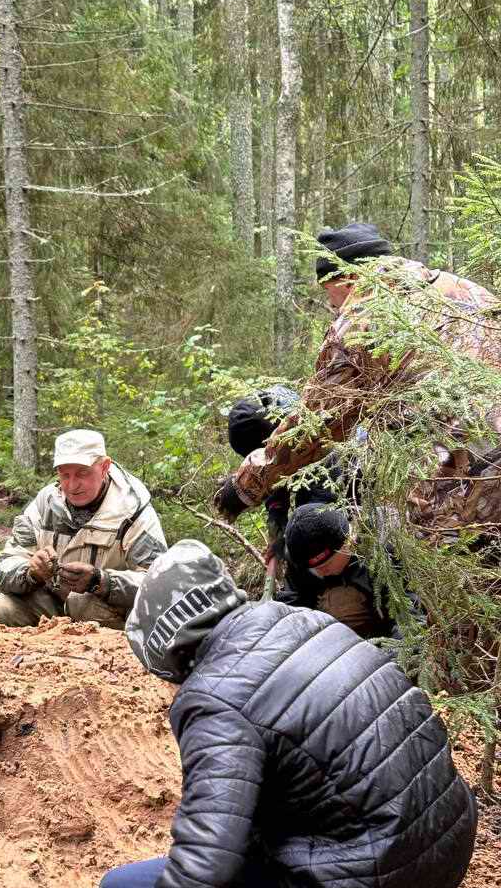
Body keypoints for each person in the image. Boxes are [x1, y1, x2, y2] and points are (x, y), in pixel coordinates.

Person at [98, 541, 476, 888]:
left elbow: (206, 868)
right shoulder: (304, 621)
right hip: (441, 858)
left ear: (166, 650)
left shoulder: (214, 699)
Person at [215, 222, 501, 542]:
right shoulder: (463, 288)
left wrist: (244, 487)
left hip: (476, 465)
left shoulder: (361, 321)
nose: (332, 305)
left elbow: (315, 424)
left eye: (328, 291)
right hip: (481, 443)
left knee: (423, 538)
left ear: (345, 278)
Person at [0, 429, 167, 630]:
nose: (72, 486)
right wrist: (31, 572)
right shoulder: (44, 504)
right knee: (0, 609)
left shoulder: (132, 511)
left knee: (80, 602)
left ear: (104, 467)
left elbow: (158, 583)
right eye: (64, 475)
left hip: (108, 608)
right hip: (53, 600)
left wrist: (101, 581)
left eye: (83, 473)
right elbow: (5, 563)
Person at [227, 385, 349, 561]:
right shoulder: (255, 415)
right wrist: (276, 526)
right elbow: (272, 477)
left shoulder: (308, 432)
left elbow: (322, 500)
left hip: (342, 458)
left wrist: (295, 543)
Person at [278, 504, 394, 639]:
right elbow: (292, 601)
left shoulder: (380, 550)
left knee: (340, 604)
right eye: (314, 569)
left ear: (347, 543)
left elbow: (408, 610)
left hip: (379, 626)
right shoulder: (300, 555)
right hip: (321, 631)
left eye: (326, 565)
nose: (320, 573)